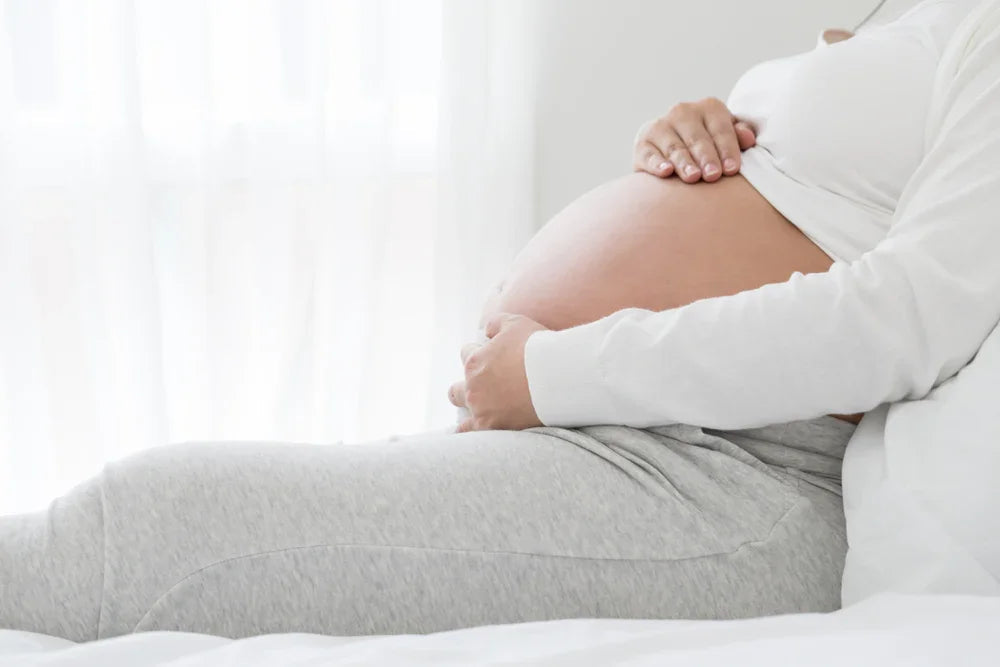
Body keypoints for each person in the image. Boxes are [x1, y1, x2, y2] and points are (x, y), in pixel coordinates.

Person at [3, 0, 999, 643]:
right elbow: (834, 197)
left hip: (735, 474)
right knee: (154, 542)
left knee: (178, 528)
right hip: (640, 433)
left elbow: (909, 314)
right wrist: (712, 130)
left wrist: (554, 372)